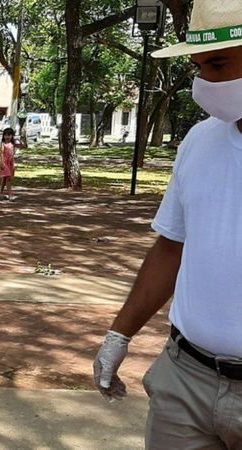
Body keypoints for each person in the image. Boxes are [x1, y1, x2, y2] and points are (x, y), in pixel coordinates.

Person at [93, 1, 242, 447]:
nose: (206, 83)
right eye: (199, 67)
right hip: (186, 379)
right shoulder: (199, 142)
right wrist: (119, 334)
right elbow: (170, 247)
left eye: (218, 63)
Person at [0, 127, 25, 201]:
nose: (7, 137)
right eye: (5, 135)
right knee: (8, 178)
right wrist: (2, 162)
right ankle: (10, 195)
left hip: (11, 163)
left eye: (9, 135)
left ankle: (0, 193)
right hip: (4, 162)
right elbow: (1, 153)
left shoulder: (13, 143)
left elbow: (23, 146)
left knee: (4, 178)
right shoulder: (3, 143)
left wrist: (21, 140)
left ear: (12, 136)